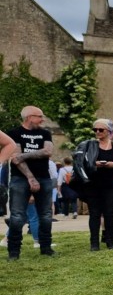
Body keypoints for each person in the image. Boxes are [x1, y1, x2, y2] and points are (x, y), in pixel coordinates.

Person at [6, 106, 55, 261]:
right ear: (29, 117)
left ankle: (46, 248)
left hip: (45, 178)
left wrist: (23, 155)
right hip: (20, 179)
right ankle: (14, 252)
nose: (42, 119)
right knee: (17, 216)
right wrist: (30, 178)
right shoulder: (14, 134)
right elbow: (15, 159)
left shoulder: (45, 133)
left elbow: (48, 151)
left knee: (46, 215)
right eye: (40, 116)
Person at [83, 119, 113, 251]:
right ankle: (94, 243)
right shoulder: (90, 145)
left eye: (100, 130)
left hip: (111, 184)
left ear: (108, 131)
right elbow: (83, 163)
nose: (97, 132)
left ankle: (110, 241)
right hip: (93, 183)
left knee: (109, 213)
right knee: (94, 214)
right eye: (95, 130)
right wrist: (94, 164)